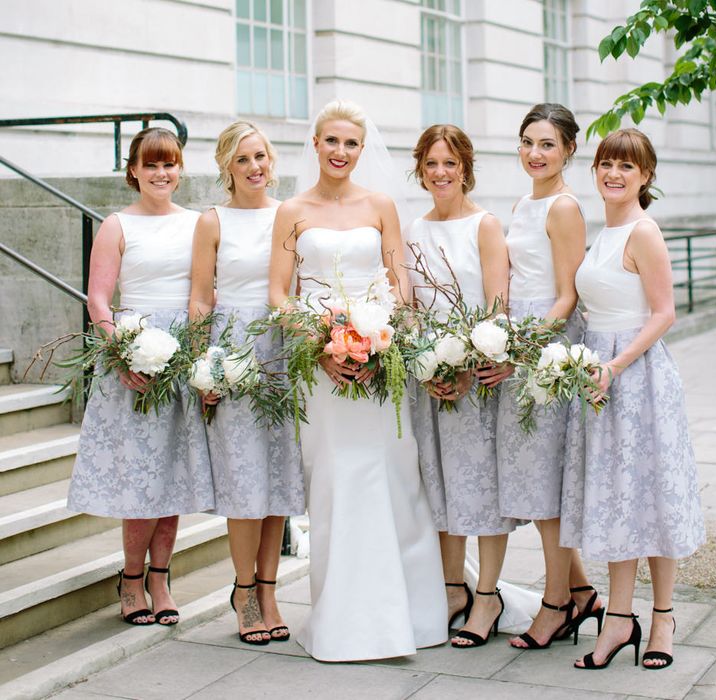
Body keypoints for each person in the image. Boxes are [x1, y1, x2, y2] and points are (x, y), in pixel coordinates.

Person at [268, 99, 447, 662]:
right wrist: (319, 344)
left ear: (361, 151)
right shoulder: (292, 210)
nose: (340, 152)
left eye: (351, 144)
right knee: (336, 481)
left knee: (393, 476)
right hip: (320, 369)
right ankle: (343, 621)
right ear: (315, 145)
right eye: (331, 142)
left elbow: (401, 285)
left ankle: (411, 617)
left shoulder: (381, 205)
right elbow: (279, 292)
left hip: (380, 365)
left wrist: (382, 341)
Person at [560, 128, 706, 670]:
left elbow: (664, 313)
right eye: (606, 164)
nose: (614, 174)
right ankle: (619, 618)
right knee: (619, 498)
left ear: (645, 177)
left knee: (653, 496)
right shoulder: (603, 232)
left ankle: (663, 616)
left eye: (626, 166)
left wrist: (616, 364)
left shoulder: (643, 231)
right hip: (599, 377)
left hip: (638, 378)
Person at [67, 127, 213, 626]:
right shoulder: (116, 225)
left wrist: (198, 359)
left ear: (180, 168)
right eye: (150, 165)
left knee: (172, 473)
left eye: (169, 163)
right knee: (142, 477)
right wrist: (124, 354)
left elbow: (202, 295)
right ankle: (131, 579)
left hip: (182, 360)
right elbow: (99, 300)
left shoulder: (198, 223)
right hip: (136, 355)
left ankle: (161, 577)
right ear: (133, 170)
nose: (161, 173)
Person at [487, 104, 604, 650]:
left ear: (569, 151)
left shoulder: (563, 208)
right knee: (535, 485)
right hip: (518, 349)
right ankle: (581, 592)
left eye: (548, 145)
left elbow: (567, 296)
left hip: (548, 354)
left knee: (547, 490)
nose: (535, 153)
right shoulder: (523, 203)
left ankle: (556, 606)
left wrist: (524, 349)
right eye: (528, 142)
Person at [188, 121, 304, 645]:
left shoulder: (291, 214)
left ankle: (270, 588)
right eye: (243, 160)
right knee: (242, 477)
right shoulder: (212, 221)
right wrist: (201, 368)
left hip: (282, 348)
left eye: (261, 156)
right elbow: (199, 300)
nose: (256, 167)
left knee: (279, 474)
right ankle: (243, 591)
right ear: (226, 169)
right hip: (232, 350)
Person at [406, 124, 516, 648]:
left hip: (478, 375)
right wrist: (427, 366)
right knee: (441, 486)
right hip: (429, 378)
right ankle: (454, 589)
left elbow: (498, 307)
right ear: (420, 169)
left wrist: (471, 365)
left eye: (450, 163)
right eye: (432, 164)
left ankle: (488, 595)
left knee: (483, 488)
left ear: (465, 168)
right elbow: (409, 310)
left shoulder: (485, 226)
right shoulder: (413, 230)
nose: (441, 173)